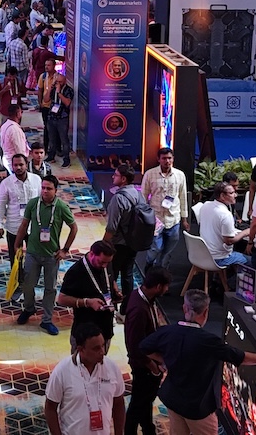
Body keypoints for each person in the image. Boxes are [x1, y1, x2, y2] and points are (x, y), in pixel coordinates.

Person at [140, 290, 256, 435]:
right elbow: (241, 357)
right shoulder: (208, 341)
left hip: (172, 398)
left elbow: (144, 346)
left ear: (184, 308)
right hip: (197, 407)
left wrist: (164, 360)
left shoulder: (168, 331)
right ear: (206, 312)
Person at [15, 175, 77, 335]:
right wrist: (17, 244)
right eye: (43, 187)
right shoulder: (33, 204)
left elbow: (74, 228)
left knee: (50, 288)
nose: (45, 191)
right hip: (33, 253)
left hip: (52, 256)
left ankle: (47, 320)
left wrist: (65, 250)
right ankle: (29, 309)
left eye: (49, 188)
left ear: (56, 190)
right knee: (28, 285)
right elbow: (24, 225)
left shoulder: (62, 207)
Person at [44, 323, 126, 435]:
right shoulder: (62, 371)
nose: (102, 351)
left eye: (103, 345)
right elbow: (50, 408)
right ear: (81, 349)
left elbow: (119, 404)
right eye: (96, 348)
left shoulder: (112, 368)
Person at [123, 268, 171, 435]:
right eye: (166, 287)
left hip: (148, 363)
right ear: (158, 286)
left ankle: (148, 429)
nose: (167, 290)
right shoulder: (139, 310)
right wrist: (153, 367)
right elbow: (135, 345)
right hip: (144, 366)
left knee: (144, 401)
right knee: (138, 404)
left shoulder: (142, 296)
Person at [58, 241, 121, 351]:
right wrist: (87, 302)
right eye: (101, 262)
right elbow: (62, 299)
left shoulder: (106, 262)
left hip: (105, 328)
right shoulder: (76, 272)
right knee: (80, 366)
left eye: (107, 262)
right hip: (85, 331)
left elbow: (110, 279)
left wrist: (115, 289)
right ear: (92, 254)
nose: (104, 266)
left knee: (101, 363)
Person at [0, 153, 42, 288]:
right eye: (15, 165)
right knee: (16, 258)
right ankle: (18, 283)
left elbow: (41, 202)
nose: (18, 167)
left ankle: (32, 280)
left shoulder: (36, 180)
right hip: (14, 227)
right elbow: (1, 205)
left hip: (33, 227)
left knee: (35, 255)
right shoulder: (6, 183)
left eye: (21, 164)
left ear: (26, 164)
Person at [103, 164, 146, 311]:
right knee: (128, 274)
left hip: (118, 244)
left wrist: (104, 244)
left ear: (123, 179)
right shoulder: (138, 194)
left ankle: (112, 306)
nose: (112, 177)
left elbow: (111, 227)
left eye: (115, 175)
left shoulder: (118, 199)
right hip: (133, 242)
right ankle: (127, 308)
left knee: (111, 275)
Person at [141, 147, 188, 271]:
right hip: (156, 218)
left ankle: (161, 270)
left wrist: (184, 219)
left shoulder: (180, 175)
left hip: (174, 218)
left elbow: (183, 197)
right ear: (158, 159)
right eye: (164, 158)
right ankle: (149, 265)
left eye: (169, 158)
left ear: (173, 159)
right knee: (155, 247)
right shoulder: (150, 174)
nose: (167, 161)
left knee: (169, 248)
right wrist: (143, 217)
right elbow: (143, 196)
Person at [197, 181, 250, 270]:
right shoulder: (225, 214)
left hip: (204, 254)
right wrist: (246, 232)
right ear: (222, 196)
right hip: (220, 258)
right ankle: (230, 282)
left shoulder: (205, 205)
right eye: (232, 193)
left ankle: (220, 279)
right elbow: (229, 241)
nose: (235, 195)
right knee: (252, 262)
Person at [41, 71, 73, 167]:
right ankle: (51, 156)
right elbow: (46, 100)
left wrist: (59, 93)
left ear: (64, 81)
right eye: (57, 82)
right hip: (51, 116)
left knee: (64, 140)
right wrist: (50, 89)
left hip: (62, 118)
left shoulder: (69, 90)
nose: (58, 84)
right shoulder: (53, 88)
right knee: (51, 138)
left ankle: (66, 159)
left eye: (60, 82)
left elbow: (67, 103)